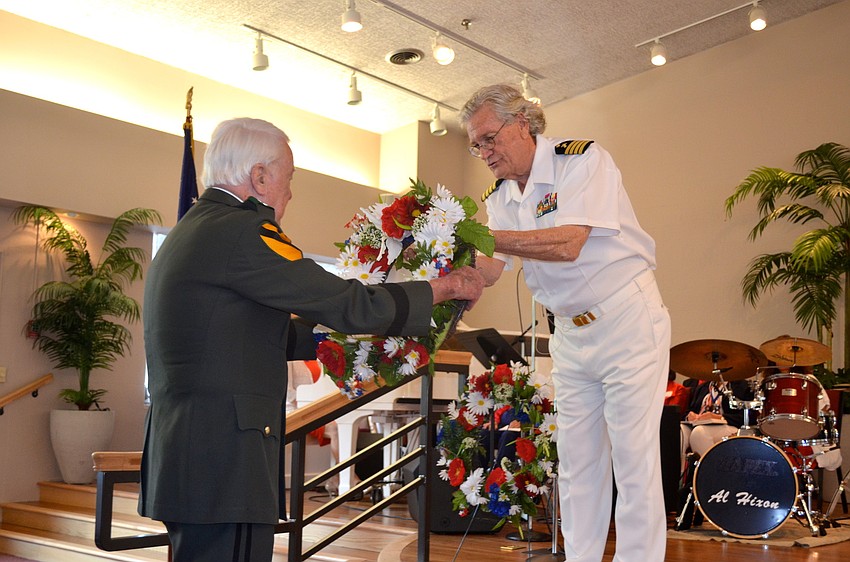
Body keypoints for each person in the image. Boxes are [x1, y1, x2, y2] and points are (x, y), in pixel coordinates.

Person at [139, 117, 485, 562]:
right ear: (260, 176)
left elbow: (265, 335)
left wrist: (356, 348)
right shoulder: (243, 232)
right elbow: (344, 301)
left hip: (192, 453)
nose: (289, 192)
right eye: (288, 177)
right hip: (225, 459)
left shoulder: (195, 228)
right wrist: (443, 289)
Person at [459, 85, 671, 562]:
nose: (484, 152)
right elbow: (491, 268)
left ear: (522, 123)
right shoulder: (499, 196)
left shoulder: (582, 161)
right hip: (570, 336)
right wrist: (446, 268)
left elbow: (568, 242)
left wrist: (486, 237)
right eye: (476, 145)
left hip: (626, 319)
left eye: (489, 138)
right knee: (576, 463)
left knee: (633, 459)